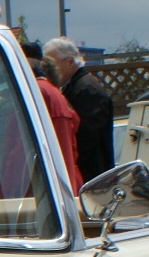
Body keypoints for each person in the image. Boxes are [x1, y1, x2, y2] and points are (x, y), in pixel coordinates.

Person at [42, 37, 114, 180]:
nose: (48, 71)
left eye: (52, 64)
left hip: (91, 177)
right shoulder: (76, 86)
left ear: (70, 62)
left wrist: (66, 166)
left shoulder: (86, 90)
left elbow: (85, 139)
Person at [21, 40, 81, 177]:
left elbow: (19, 152)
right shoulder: (54, 92)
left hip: (44, 181)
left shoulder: (36, 93)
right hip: (63, 178)